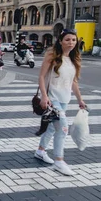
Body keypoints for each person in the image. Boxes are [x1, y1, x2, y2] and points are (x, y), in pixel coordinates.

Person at [34, 29, 86, 176]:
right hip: (53, 98)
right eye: (68, 40)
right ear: (61, 41)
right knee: (63, 128)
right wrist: (45, 97)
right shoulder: (52, 55)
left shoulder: (73, 58)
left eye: (74, 40)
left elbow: (73, 82)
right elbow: (42, 77)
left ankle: (40, 151)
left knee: (51, 128)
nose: (71, 43)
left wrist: (80, 99)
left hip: (64, 99)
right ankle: (59, 161)